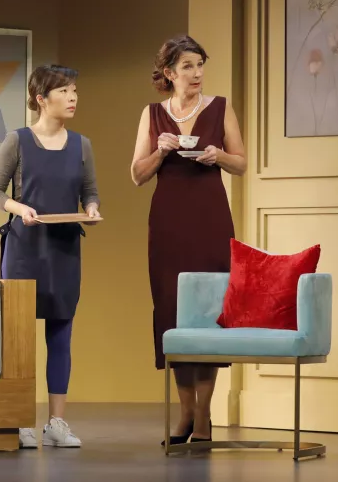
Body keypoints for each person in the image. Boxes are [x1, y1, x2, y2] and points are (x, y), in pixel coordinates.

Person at [130, 36, 245, 446]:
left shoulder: (220, 107)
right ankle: (185, 413)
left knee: (209, 310)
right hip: (169, 223)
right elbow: (137, 175)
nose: (197, 74)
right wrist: (161, 152)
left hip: (210, 218)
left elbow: (241, 163)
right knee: (173, 310)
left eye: (200, 65)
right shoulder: (152, 114)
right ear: (169, 73)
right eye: (188, 67)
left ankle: (204, 414)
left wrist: (218, 156)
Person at [0, 64, 100, 449]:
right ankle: (20, 421)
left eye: (74, 91)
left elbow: (90, 192)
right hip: (24, 248)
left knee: (61, 333)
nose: (72, 98)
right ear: (41, 99)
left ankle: (56, 423)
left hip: (64, 248)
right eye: (64, 91)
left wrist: (92, 209)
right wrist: (19, 208)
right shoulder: (17, 141)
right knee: (18, 337)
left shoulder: (82, 145)